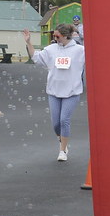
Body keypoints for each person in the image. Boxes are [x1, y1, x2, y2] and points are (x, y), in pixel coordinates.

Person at [23, 23, 85, 161]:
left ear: (66, 36)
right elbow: (36, 58)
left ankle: (62, 151)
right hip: (54, 91)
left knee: (64, 120)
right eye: (54, 35)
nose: (55, 38)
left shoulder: (80, 50)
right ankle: (62, 140)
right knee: (56, 124)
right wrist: (29, 42)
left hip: (72, 92)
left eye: (57, 36)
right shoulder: (51, 49)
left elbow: (95, 60)